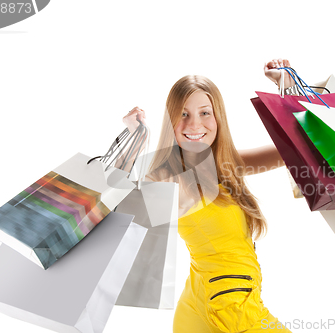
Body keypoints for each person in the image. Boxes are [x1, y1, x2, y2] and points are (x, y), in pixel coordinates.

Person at [121, 59, 296, 333]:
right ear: (171, 121)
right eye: (183, 114)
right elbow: (127, 201)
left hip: (202, 300)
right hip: (231, 307)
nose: (194, 124)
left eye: (205, 113)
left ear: (218, 118)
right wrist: (134, 140)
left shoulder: (225, 165)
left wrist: (287, 88)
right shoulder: (167, 177)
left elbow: (293, 149)